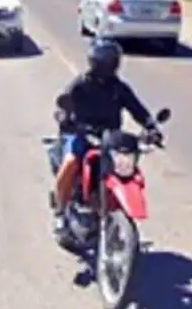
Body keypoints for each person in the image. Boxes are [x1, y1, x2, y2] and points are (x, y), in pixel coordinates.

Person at [51, 38, 159, 233]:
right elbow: (64, 103)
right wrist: (65, 117)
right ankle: (60, 212)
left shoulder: (119, 88)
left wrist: (151, 127)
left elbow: (138, 110)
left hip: (110, 138)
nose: (107, 65)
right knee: (71, 163)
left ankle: (111, 206)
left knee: (124, 167)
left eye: (110, 61)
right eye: (104, 61)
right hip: (82, 134)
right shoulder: (81, 84)